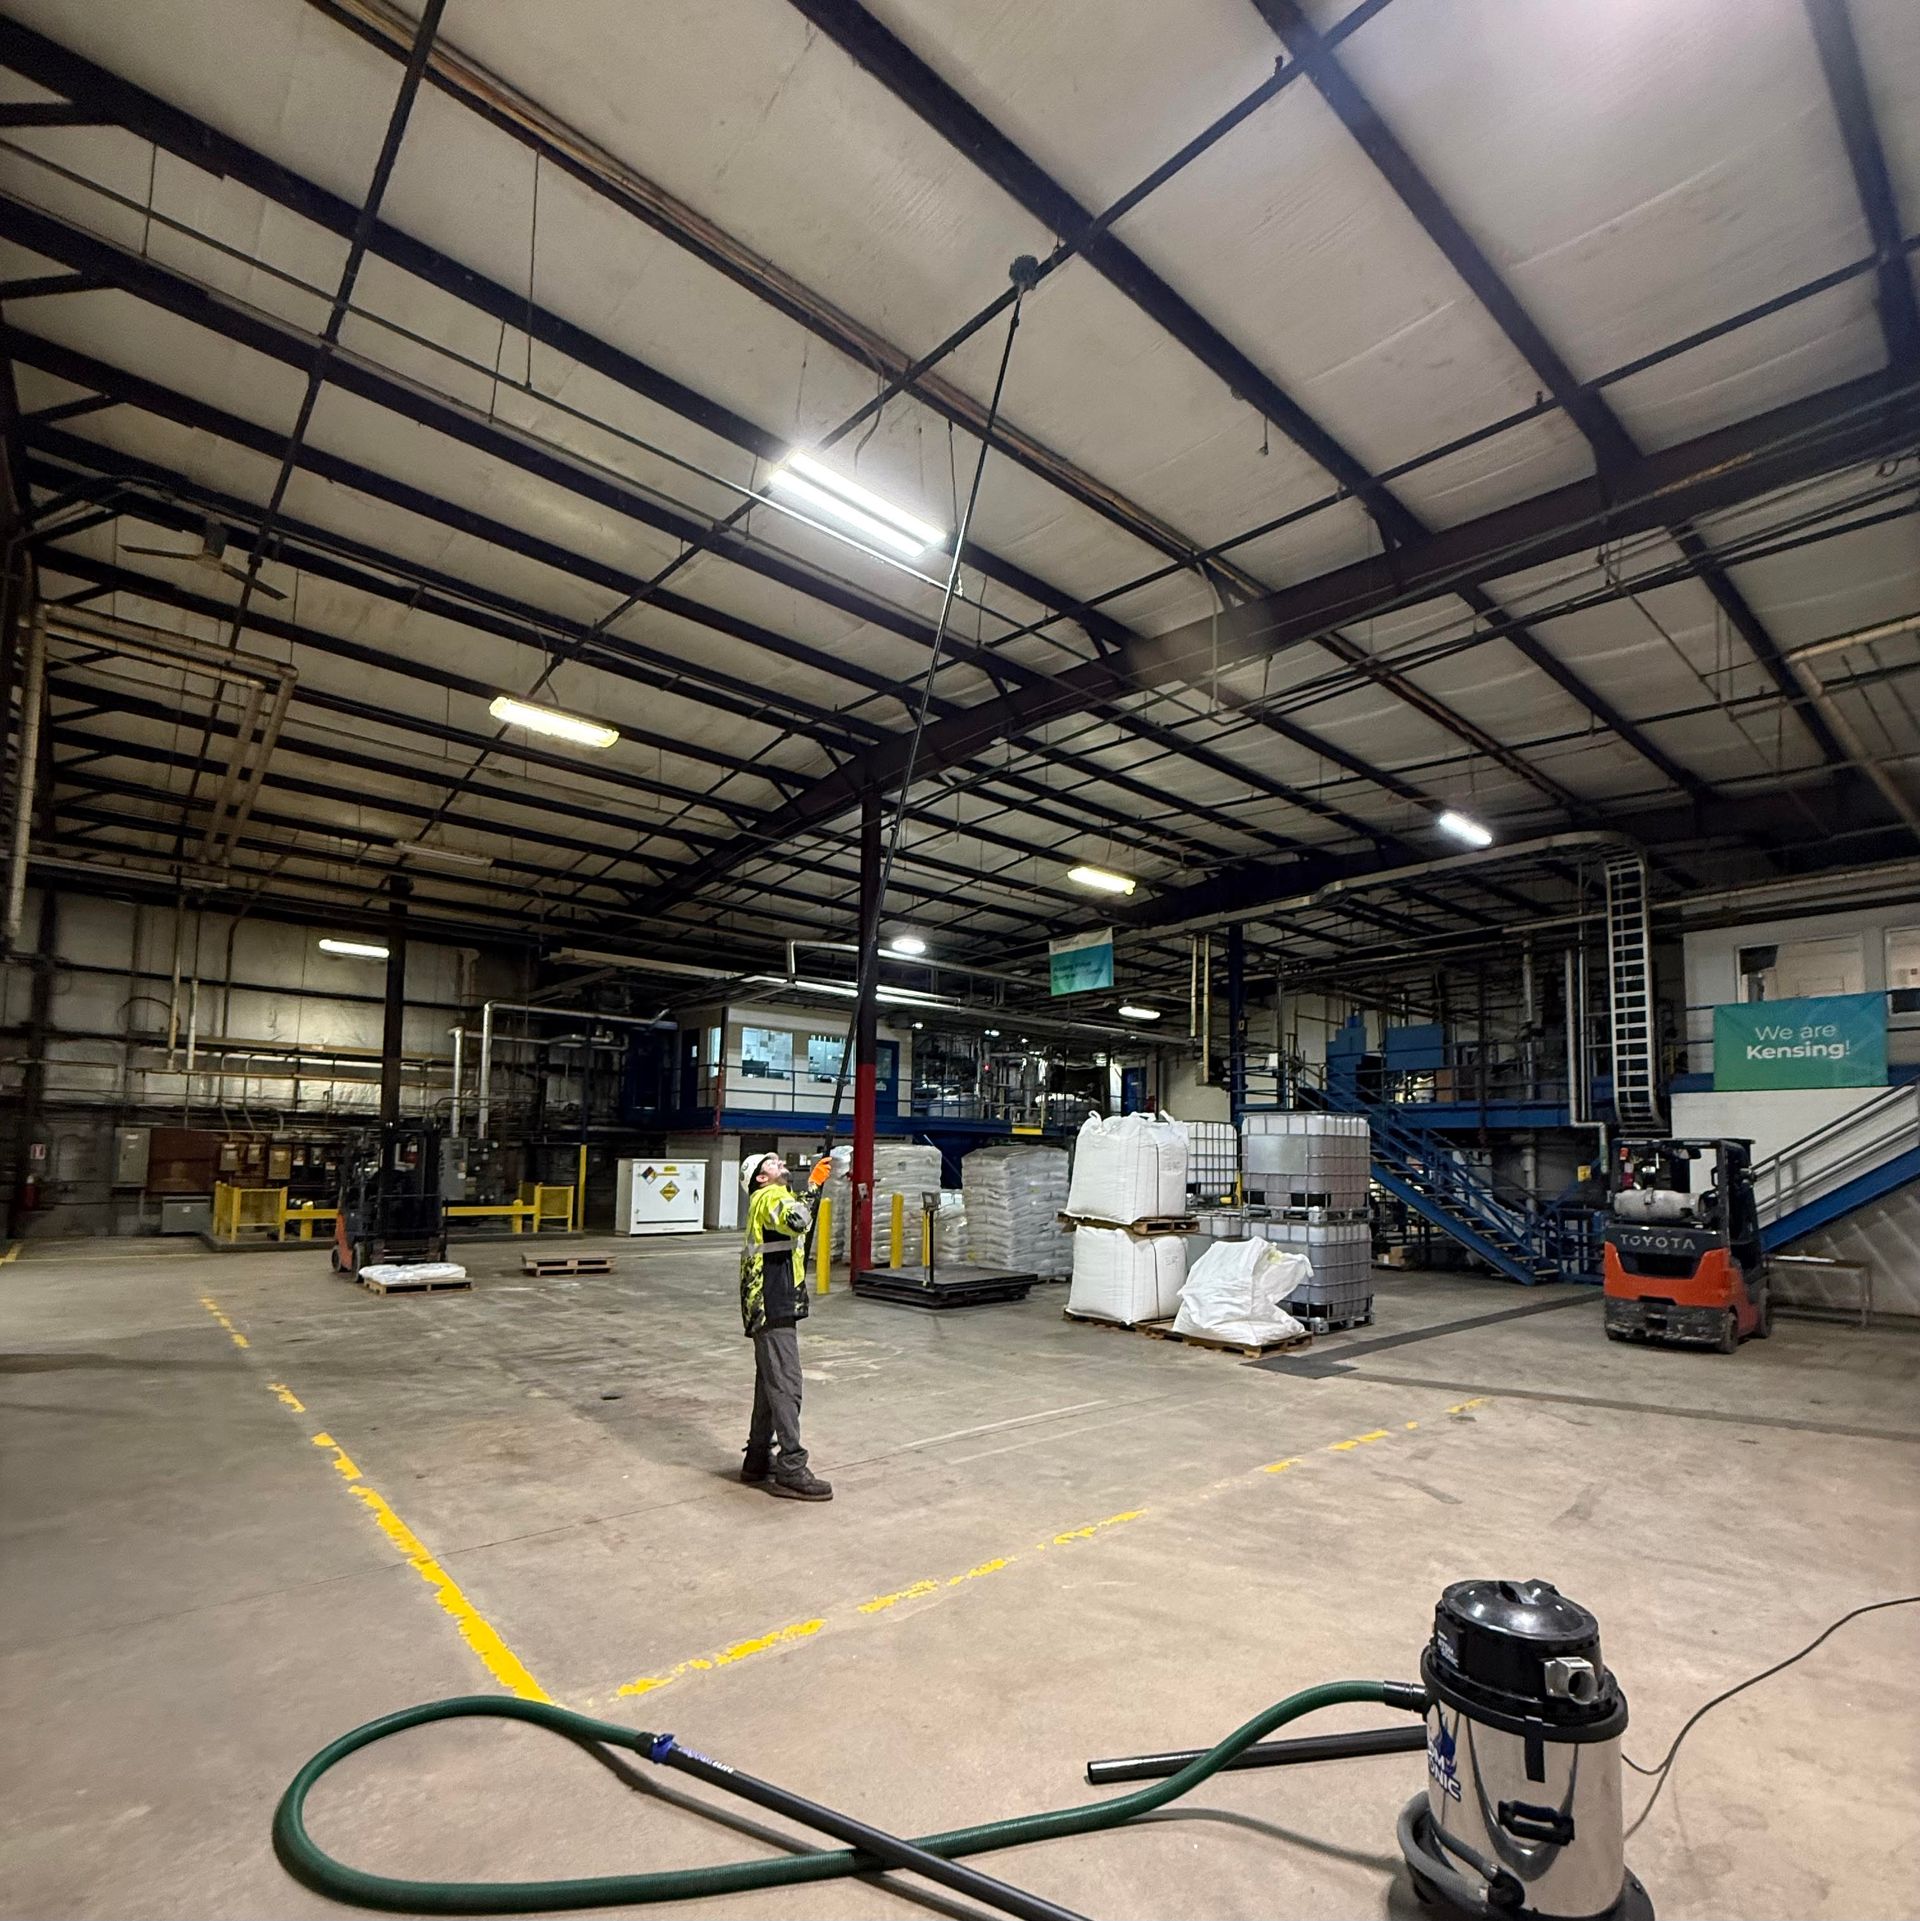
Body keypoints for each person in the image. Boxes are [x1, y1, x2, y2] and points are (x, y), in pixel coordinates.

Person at [737, 1151, 833, 1501]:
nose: (779, 1162)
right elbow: (796, 1221)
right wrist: (813, 1185)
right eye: (772, 1163)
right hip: (773, 1301)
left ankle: (757, 1459)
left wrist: (811, 1190)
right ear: (760, 1178)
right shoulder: (771, 1196)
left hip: (767, 1301)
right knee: (787, 1384)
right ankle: (792, 1466)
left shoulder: (769, 1197)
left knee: (769, 1385)